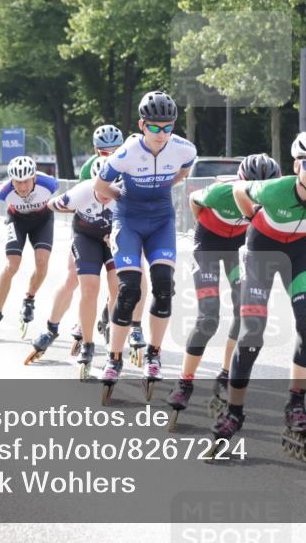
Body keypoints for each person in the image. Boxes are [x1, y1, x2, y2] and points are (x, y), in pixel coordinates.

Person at [210, 129, 306, 462]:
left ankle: (296, 405)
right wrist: (251, 217)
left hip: (300, 254)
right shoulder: (274, 190)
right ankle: (234, 412)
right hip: (261, 250)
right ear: (296, 166)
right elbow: (240, 188)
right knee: (252, 333)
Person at [93, 91, 196, 403]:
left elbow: (183, 171)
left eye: (168, 127)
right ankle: (114, 360)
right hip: (130, 219)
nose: (162, 134)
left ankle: (154, 355)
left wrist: (165, 187)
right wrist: (123, 196)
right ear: (142, 125)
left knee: (164, 286)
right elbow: (99, 186)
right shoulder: (125, 153)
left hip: (162, 220)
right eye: (154, 127)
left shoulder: (184, 148)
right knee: (129, 291)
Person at [166, 153, 282, 430]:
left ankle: (225, 373)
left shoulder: (271, 198)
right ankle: (185, 382)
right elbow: (194, 202)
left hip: (237, 248)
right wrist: (207, 227)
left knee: (244, 313)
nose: (257, 197)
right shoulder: (221, 192)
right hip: (207, 242)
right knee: (208, 318)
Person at [26, 158, 119, 378]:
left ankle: (116, 341)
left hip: (113, 239)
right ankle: (83, 342)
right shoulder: (82, 191)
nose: (106, 193)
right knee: (88, 288)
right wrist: (73, 209)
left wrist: (116, 235)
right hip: (86, 238)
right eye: (100, 187)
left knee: (118, 288)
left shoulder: (125, 194)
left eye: (111, 187)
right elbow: (51, 205)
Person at [43, 125, 127, 347]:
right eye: (104, 151)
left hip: (115, 230)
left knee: (118, 283)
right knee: (73, 277)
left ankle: (106, 316)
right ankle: (54, 325)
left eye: (115, 150)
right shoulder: (90, 168)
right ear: (95, 150)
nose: (109, 156)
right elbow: (81, 203)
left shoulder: (128, 165)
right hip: (87, 227)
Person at [0, 156, 58, 343]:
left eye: (25, 182)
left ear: (34, 178)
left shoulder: (49, 184)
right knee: (12, 265)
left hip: (42, 220)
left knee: (42, 262)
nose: (21, 187)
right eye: (17, 182)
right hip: (17, 221)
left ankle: (29, 299)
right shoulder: (4, 191)